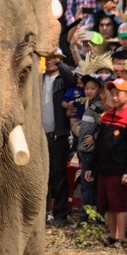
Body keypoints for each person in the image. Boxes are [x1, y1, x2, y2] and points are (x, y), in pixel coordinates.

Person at [86, 77, 127, 247]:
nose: (115, 98)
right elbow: (99, 144)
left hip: (119, 169)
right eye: (113, 94)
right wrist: (91, 167)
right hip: (104, 168)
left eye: (118, 94)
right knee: (107, 204)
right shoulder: (107, 116)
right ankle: (112, 236)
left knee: (119, 204)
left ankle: (122, 238)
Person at [43, 50, 78, 225]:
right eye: (47, 58)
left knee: (59, 175)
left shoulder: (64, 80)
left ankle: (60, 214)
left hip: (59, 135)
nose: (50, 62)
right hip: (40, 136)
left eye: (54, 59)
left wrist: (59, 62)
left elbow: (72, 80)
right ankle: (43, 213)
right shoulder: (39, 78)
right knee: (42, 176)